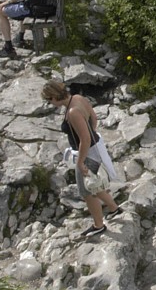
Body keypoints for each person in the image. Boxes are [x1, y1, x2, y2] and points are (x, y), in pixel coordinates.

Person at [42, 81, 122, 238]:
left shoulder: (72, 112)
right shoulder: (78, 98)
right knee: (95, 184)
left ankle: (98, 225)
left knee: (87, 191)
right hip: (95, 147)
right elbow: (93, 117)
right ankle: (114, 208)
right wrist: (91, 133)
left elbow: (84, 140)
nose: (50, 103)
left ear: (54, 97)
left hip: (86, 153)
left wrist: (80, 162)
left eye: (49, 100)